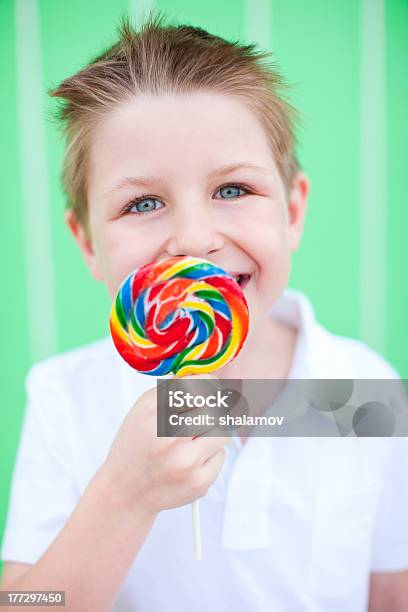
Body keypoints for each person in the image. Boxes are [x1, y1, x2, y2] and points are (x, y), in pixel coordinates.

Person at [1, 11, 407, 612]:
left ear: (292, 212)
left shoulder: (362, 391)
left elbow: (390, 595)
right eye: (143, 202)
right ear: (87, 241)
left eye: (233, 190)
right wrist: (122, 494)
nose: (194, 238)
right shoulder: (68, 397)